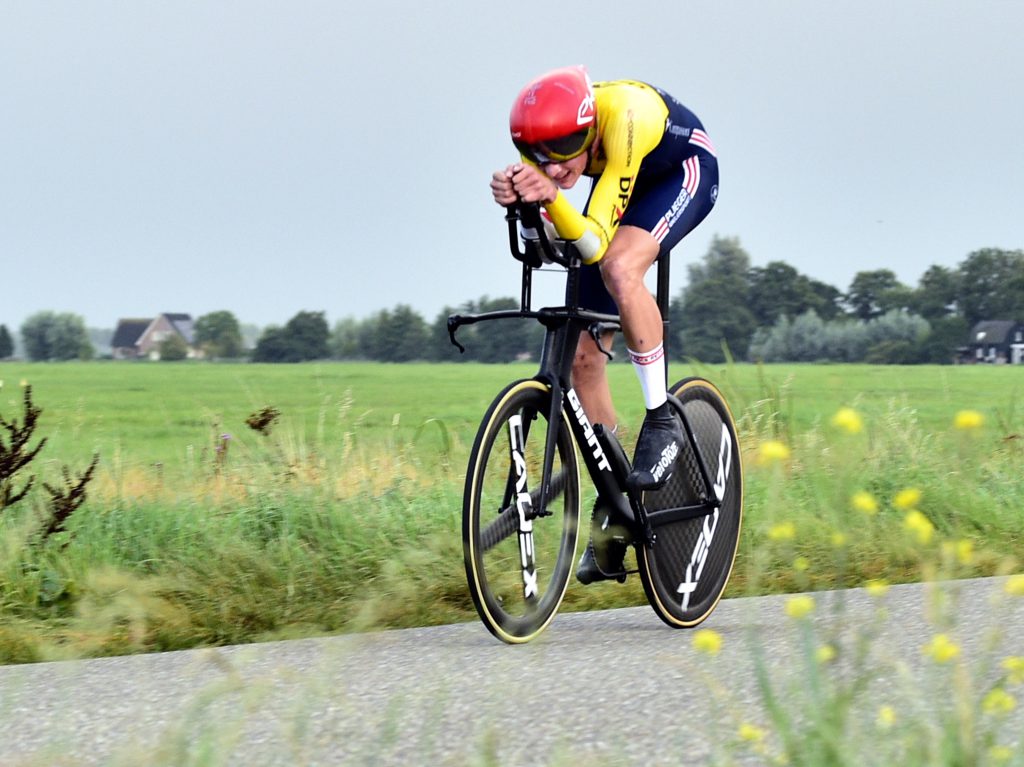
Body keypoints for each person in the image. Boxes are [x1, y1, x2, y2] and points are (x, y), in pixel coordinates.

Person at [490, 65, 719, 583]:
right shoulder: (548, 150)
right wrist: (523, 208)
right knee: (582, 357)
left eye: (566, 150)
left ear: (588, 127)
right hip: (621, 192)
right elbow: (552, 246)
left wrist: (550, 198)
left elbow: (593, 243)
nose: (555, 164)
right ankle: (617, 497)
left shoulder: (624, 118)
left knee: (618, 265)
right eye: (539, 156)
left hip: (679, 172)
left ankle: (661, 415)